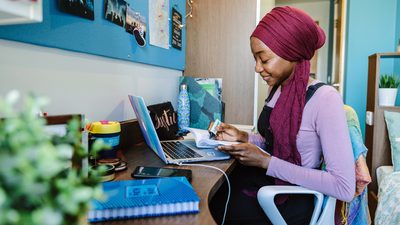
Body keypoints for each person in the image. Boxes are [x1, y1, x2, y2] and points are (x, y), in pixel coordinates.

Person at [210, 6, 355, 225]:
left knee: (217, 207)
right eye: (255, 59)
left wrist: (266, 162)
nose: (258, 68)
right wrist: (244, 137)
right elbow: (273, 141)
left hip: (295, 197)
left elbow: (344, 187)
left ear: (292, 55)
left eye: (264, 59)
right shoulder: (276, 89)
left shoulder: (325, 99)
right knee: (215, 192)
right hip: (270, 180)